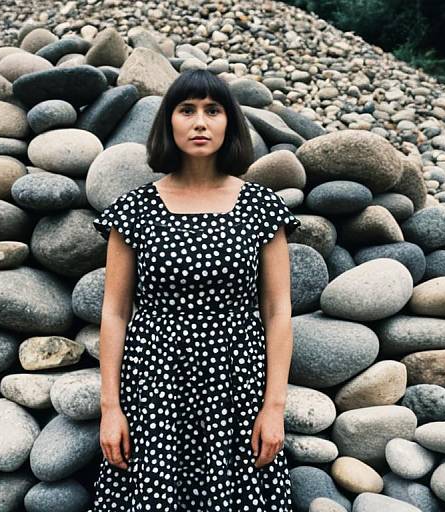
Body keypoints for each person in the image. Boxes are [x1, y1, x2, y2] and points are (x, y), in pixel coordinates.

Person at [91, 68, 301, 511]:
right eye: (186, 110)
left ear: (230, 123)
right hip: (153, 381)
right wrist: (111, 408)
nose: (200, 122)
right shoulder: (135, 209)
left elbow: (278, 311)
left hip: (236, 382)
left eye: (213, 110)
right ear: (169, 121)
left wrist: (275, 407)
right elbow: (114, 312)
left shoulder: (261, 207)